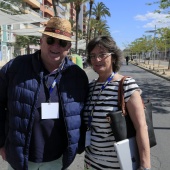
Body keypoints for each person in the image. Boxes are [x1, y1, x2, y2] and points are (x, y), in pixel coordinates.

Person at [0, 17, 89, 170]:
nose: (55, 46)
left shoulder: (78, 76)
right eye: (50, 40)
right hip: (21, 158)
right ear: (41, 40)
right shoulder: (14, 68)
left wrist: (78, 146)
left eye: (62, 43)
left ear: (68, 47)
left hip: (57, 159)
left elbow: (84, 114)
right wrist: (1, 142)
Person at [83, 36, 151, 170]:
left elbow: (142, 127)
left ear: (113, 57)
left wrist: (145, 166)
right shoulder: (91, 87)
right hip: (90, 162)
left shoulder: (126, 85)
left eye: (102, 55)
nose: (97, 59)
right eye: (93, 55)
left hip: (119, 164)